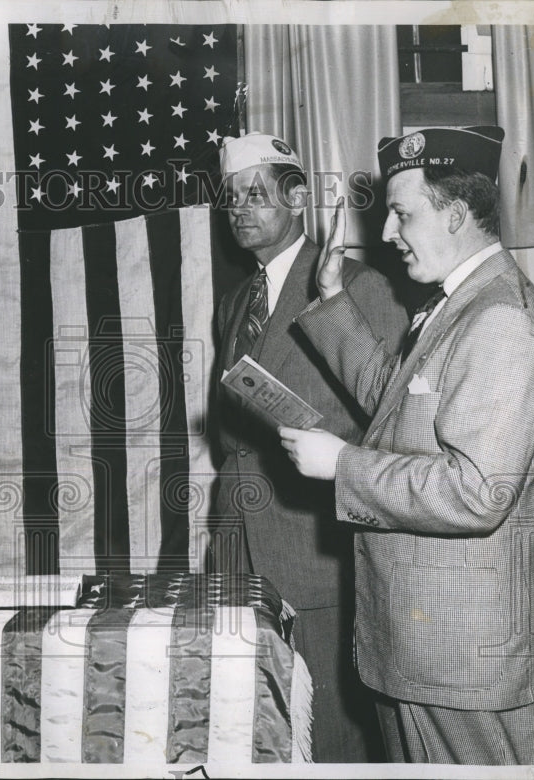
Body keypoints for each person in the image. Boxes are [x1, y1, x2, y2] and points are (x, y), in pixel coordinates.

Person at [279, 126, 534, 764]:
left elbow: (475, 492)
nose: (385, 233)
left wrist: (342, 465)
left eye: (402, 214)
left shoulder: (502, 320)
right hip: (426, 645)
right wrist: (330, 299)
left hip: (460, 657)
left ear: (457, 214)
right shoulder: (462, 304)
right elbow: (396, 400)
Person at [209, 132, 409, 762]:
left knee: (326, 732)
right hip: (236, 540)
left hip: (316, 549)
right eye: (231, 197)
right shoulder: (235, 300)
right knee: (251, 722)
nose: (240, 208)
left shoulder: (358, 286)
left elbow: (392, 422)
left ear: (297, 196)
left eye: (256, 194)